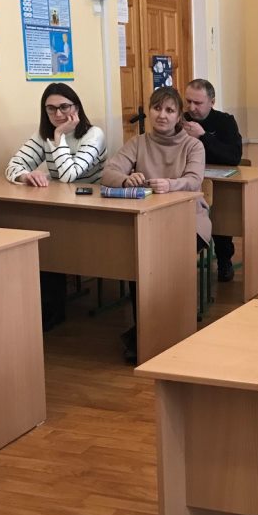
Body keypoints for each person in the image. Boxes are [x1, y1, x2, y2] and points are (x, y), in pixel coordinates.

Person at [101, 86, 210, 363]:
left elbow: (194, 180)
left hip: (188, 221)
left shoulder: (193, 145)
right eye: (157, 108)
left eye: (170, 110)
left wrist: (170, 184)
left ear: (179, 116)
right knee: (138, 259)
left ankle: (157, 331)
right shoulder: (138, 142)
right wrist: (126, 179)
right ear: (149, 111)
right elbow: (109, 172)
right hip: (148, 222)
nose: (162, 115)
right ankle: (146, 330)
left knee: (160, 261)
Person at [4, 83, 108, 330]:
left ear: (76, 107)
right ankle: (50, 309)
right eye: (51, 109)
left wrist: (60, 136)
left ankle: (54, 307)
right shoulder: (43, 135)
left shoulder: (94, 134)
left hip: (94, 209)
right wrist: (25, 175)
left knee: (57, 243)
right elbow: (13, 166)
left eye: (64, 107)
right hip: (60, 206)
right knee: (44, 244)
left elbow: (69, 175)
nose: (58, 114)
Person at [180, 78, 242, 282]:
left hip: (218, 181)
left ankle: (225, 261)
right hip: (187, 180)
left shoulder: (225, 121)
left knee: (222, 217)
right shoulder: (180, 120)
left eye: (198, 103)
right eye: (188, 101)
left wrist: (204, 136)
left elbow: (234, 157)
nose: (192, 108)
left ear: (212, 102)